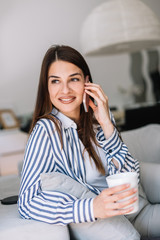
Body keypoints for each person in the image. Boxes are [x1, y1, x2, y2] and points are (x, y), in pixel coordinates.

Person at [18, 45, 141, 240]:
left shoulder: (100, 117)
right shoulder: (46, 131)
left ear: (87, 82)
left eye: (73, 79)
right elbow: (27, 202)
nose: (65, 90)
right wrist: (92, 208)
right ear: (46, 86)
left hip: (134, 209)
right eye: (55, 81)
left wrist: (107, 124)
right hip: (107, 223)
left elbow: (129, 177)